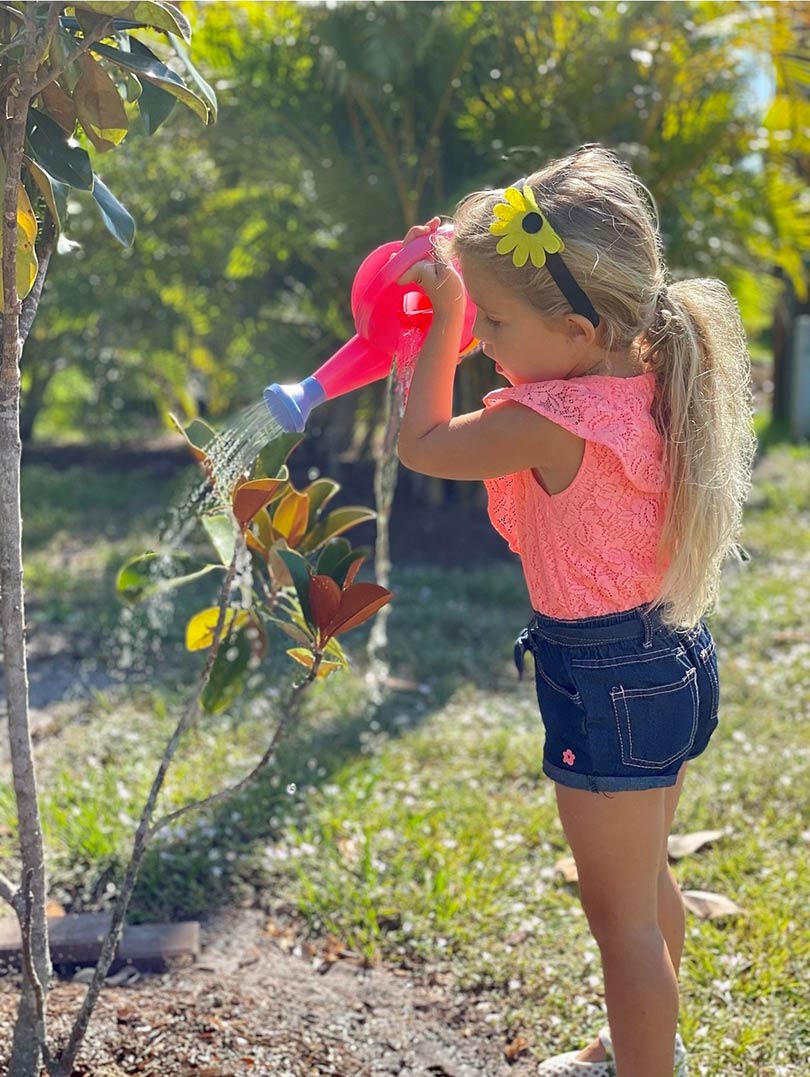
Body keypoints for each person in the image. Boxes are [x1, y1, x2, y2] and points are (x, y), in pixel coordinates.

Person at [395, 145, 756, 1077]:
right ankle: (640, 1046)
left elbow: (425, 443)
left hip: (607, 679)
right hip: (667, 659)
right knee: (647, 880)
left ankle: (644, 1060)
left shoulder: (553, 419)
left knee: (621, 922)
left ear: (581, 326)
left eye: (495, 320)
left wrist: (434, 326)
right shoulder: (645, 376)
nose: (481, 340)